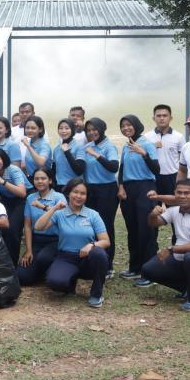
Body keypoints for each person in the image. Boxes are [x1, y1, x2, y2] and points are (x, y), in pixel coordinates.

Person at [138, 178, 190, 311]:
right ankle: (188, 288)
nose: (182, 196)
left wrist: (171, 249)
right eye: (179, 192)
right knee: (148, 269)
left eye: (187, 193)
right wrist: (152, 215)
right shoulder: (175, 210)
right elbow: (153, 223)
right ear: (175, 193)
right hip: (181, 257)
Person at [33, 178, 111, 308]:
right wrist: (54, 209)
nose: (79, 196)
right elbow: (38, 226)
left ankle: (96, 294)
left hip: (87, 258)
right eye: (75, 192)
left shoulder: (93, 215)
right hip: (66, 257)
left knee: (99, 254)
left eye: (83, 193)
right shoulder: (60, 214)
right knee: (55, 282)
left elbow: (106, 241)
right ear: (68, 193)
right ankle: (70, 282)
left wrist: (91, 245)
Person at [68, 117, 121, 275]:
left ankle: (108, 264)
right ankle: (92, 260)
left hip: (107, 190)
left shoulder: (108, 146)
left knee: (105, 226)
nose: (91, 133)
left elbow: (113, 167)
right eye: (88, 130)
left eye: (94, 129)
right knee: (90, 225)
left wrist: (96, 155)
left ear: (101, 129)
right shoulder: (87, 146)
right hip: (91, 190)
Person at [117, 114, 161, 281]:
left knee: (147, 229)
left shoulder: (147, 144)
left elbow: (156, 169)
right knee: (132, 229)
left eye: (129, 125)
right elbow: (122, 169)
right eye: (123, 125)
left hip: (145, 188)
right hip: (128, 190)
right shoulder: (126, 146)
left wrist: (144, 154)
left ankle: (149, 271)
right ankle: (134, 267)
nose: (126, 128)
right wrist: (120, 187)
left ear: (136, 125)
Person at [16, 167, 63, 286]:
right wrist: (29, 250)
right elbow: (27, 225)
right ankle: (39, 272)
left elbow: (62, 218)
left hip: (55, 241)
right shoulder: (30, 198)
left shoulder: (59, 197)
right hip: (37, 240)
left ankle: (51, 269)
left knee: (44, 258)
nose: (40, 181)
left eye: (43, 178)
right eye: (37, 179)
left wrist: (42, 206)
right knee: (22, 277)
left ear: (50, 180)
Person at [0, 148, 28, 258]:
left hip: (22, 199)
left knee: (12, 229)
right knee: (1, 227)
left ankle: (13, 262)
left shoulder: (13, 170)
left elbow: (22, 193)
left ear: (3, 159)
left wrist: (2, 181)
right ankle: (3, 259)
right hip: (6, 199)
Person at [146, 104, 184, 197]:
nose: (162, 118)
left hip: (172, 176)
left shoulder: (179, 136)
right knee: (154, 208)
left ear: (170, 118)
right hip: (152, 177)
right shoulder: (146, 137)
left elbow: (183, 159)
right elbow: (142, 156)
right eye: (158, 116)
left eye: (165, 115)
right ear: (153, 118)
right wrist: (152, 146)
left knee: (174, 207)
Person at [18, 115, 51, 191]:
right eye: (27, 127)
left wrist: (28, 146)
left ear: (40, 129)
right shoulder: (30, 141)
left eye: (33, 128)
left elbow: (41, 162)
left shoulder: (44, 144)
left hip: (43, 181)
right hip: (32, 178)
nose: (29, 130)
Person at [50, 118, 80, 191]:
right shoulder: (56, 148)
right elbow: (54, 169)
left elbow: (79, 170)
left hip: (74, 186)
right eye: (61, 128)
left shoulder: (79, 146)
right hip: (59, 186)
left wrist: (67, 152)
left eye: (67, 128)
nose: (63, 131)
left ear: (72, 130)